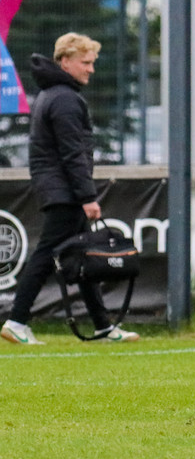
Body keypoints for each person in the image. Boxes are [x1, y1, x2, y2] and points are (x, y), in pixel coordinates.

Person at [1, 33, 139, 345]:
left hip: (58, 190)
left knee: (84, 255)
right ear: (65, 62)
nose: (91, 69)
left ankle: (103, 326)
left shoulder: (52, 94)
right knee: (47, 255)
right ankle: (17, 321)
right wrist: (87, 196)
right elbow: (73, 153)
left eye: (92, 63)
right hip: (64, 193)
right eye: (85, 62)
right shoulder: (64, 98)